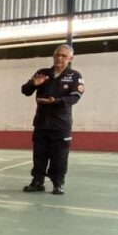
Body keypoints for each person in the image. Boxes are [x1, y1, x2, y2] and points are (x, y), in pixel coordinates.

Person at [21, 43, 84, 195]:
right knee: (39, 154)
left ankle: (58, 183)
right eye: (57, 55)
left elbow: (75, 97)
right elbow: (25, 90)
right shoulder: (43, 73)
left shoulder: (75, 76)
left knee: (60, 156)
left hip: (61, 124)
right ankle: (37, 182)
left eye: (63, 56)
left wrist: (55, 101)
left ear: (70, 58)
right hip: (42, 123)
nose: (59, 58)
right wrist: (33, 84)